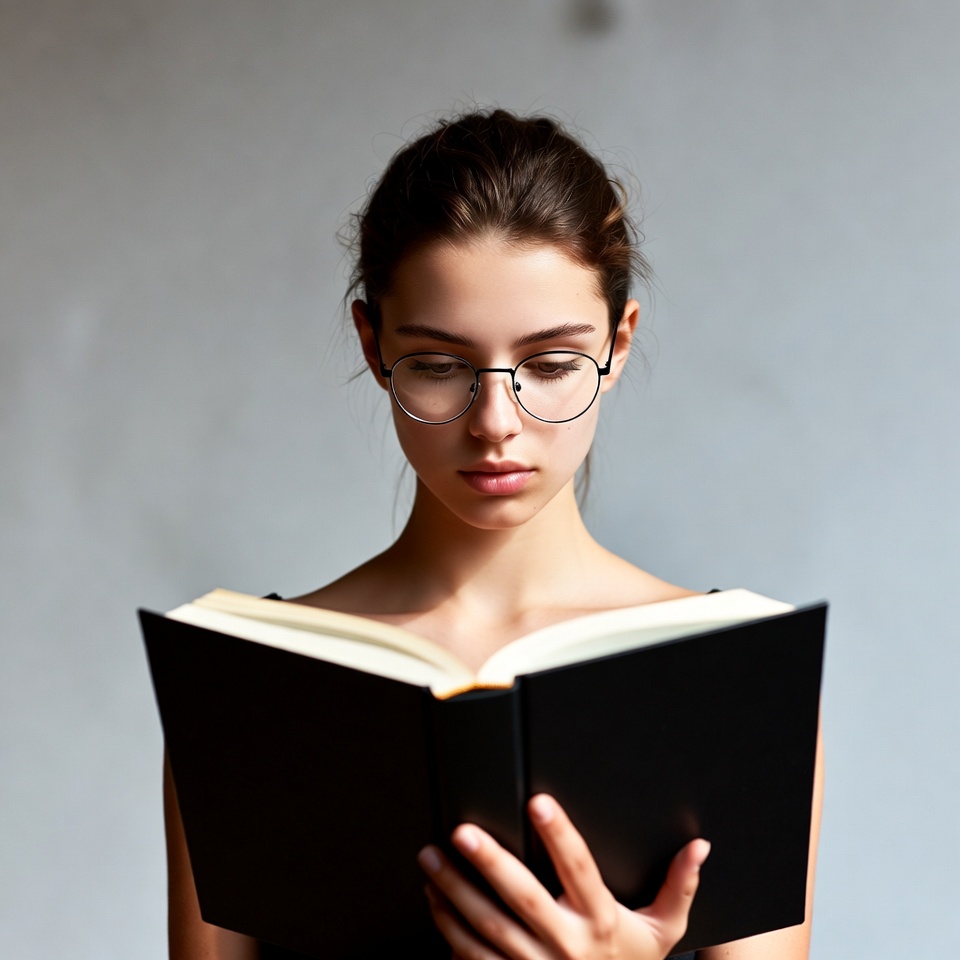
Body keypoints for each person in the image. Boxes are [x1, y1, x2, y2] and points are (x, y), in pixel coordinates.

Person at [163, 108, 823, 960]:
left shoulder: (741, 676)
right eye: (439, 365)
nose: (496, 423)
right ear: (373, 345)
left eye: (551, 365)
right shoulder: (241, 680)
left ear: (618, 344)